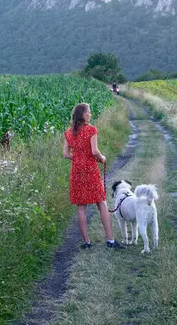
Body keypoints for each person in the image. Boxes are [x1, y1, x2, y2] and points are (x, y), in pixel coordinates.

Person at [63, 103, 125, 249]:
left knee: (81, 207)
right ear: (83, 114)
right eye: (89, 112)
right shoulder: (91, 130)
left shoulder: (68, 133)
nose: (90, 115)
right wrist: (102, 158)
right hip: (90, 169)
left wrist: (78, 158)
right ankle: (110, 240)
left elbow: (65, 154)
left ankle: (87, 242)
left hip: (77, 171)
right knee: (101, 202)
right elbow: (94, 151)